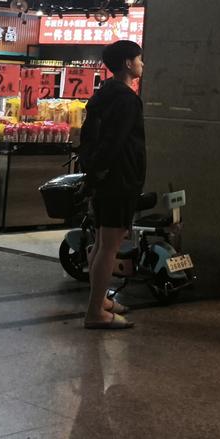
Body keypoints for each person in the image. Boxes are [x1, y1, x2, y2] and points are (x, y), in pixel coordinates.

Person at [77, 40, 147, 331]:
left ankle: (100, 300)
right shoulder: (126, 99)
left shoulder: (103, 94)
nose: (142, 64)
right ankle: (95, 311)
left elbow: (91, 137)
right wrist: (104, 171)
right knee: (109, 247)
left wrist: (93, 175)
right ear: (128, 64)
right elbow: (115, 141)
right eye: (139, 59)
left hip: (104, 179)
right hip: (119, 179)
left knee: (101, 242)